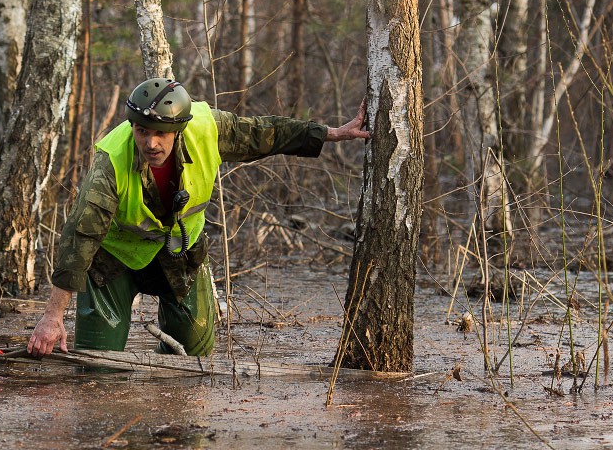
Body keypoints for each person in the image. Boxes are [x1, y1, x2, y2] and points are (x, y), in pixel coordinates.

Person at [27, 77, 370, 357]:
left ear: (178, 129)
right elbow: (80, 236)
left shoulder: (205, 128)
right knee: (97, 364)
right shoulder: (111, 162)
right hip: (115, 259)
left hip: (180, 253)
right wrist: (52, 316)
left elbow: (263, 133)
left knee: (193, 358)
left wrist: (331, 133)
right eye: (142, 131)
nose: (150, 143)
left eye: (160, 133)